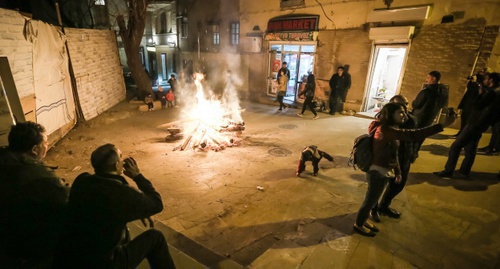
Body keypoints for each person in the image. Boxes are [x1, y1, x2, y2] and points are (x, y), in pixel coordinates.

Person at [54, 144, 175, 268]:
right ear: (117, 165)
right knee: (156, 237)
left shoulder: (82, 181)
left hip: (70, 257)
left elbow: (104, 207)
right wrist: (137, 176)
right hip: (104, 263)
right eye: (121, 157)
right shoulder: (120, 194)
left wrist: (139, 208)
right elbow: (157, 204)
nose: (123, 161)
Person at [353, 103, 454, 237]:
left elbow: (393, 154)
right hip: (377, 171)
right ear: (390, 114)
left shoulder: (391, 129)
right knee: (370, 201)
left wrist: (398, 172)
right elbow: (414, 135)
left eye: (405, 112)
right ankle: (358, 224)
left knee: (372, 199)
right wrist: (442, 125)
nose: (405, 115)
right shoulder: (385, 130)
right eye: (400, 112)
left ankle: (363, 220)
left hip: (384, 170)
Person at [0, 122, 69, 268]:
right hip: (24, 247)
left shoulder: (4, 158)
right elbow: (67, 202)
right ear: (34, 149)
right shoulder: (41, 179)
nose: (48, 144)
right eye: (45, 142)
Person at [434, 72, 500, 178]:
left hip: (475, 123)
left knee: (455, 146)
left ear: (491, 81)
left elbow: (477, 105)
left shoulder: (491, 93)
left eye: (486, 79)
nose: (484, 80)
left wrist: (479, 93)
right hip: (482, 124)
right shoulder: (497, 92)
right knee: (471, 148)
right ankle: (464, 172)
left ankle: (448, 170)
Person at [371, 95, 419, 221]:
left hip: (404, 156)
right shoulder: (384, 124)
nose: (404, 108)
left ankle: (384, 206)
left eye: (406, 104)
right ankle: (373, 209)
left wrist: (414, 152)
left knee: (399, 184)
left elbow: (414, 138)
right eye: (400, 106)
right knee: (377, 188)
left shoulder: (410, 119)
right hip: (387, 158)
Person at [454, 72, 483, 137]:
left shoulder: (479, 85)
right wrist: (470, 81)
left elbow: (475, 93)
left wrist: (475, 82)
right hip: (466, 104)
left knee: (467, 120)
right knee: (463, 119)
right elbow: (469, 89)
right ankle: (460, 132)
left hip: (471, 106)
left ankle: (463, 134)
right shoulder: (473, 84)